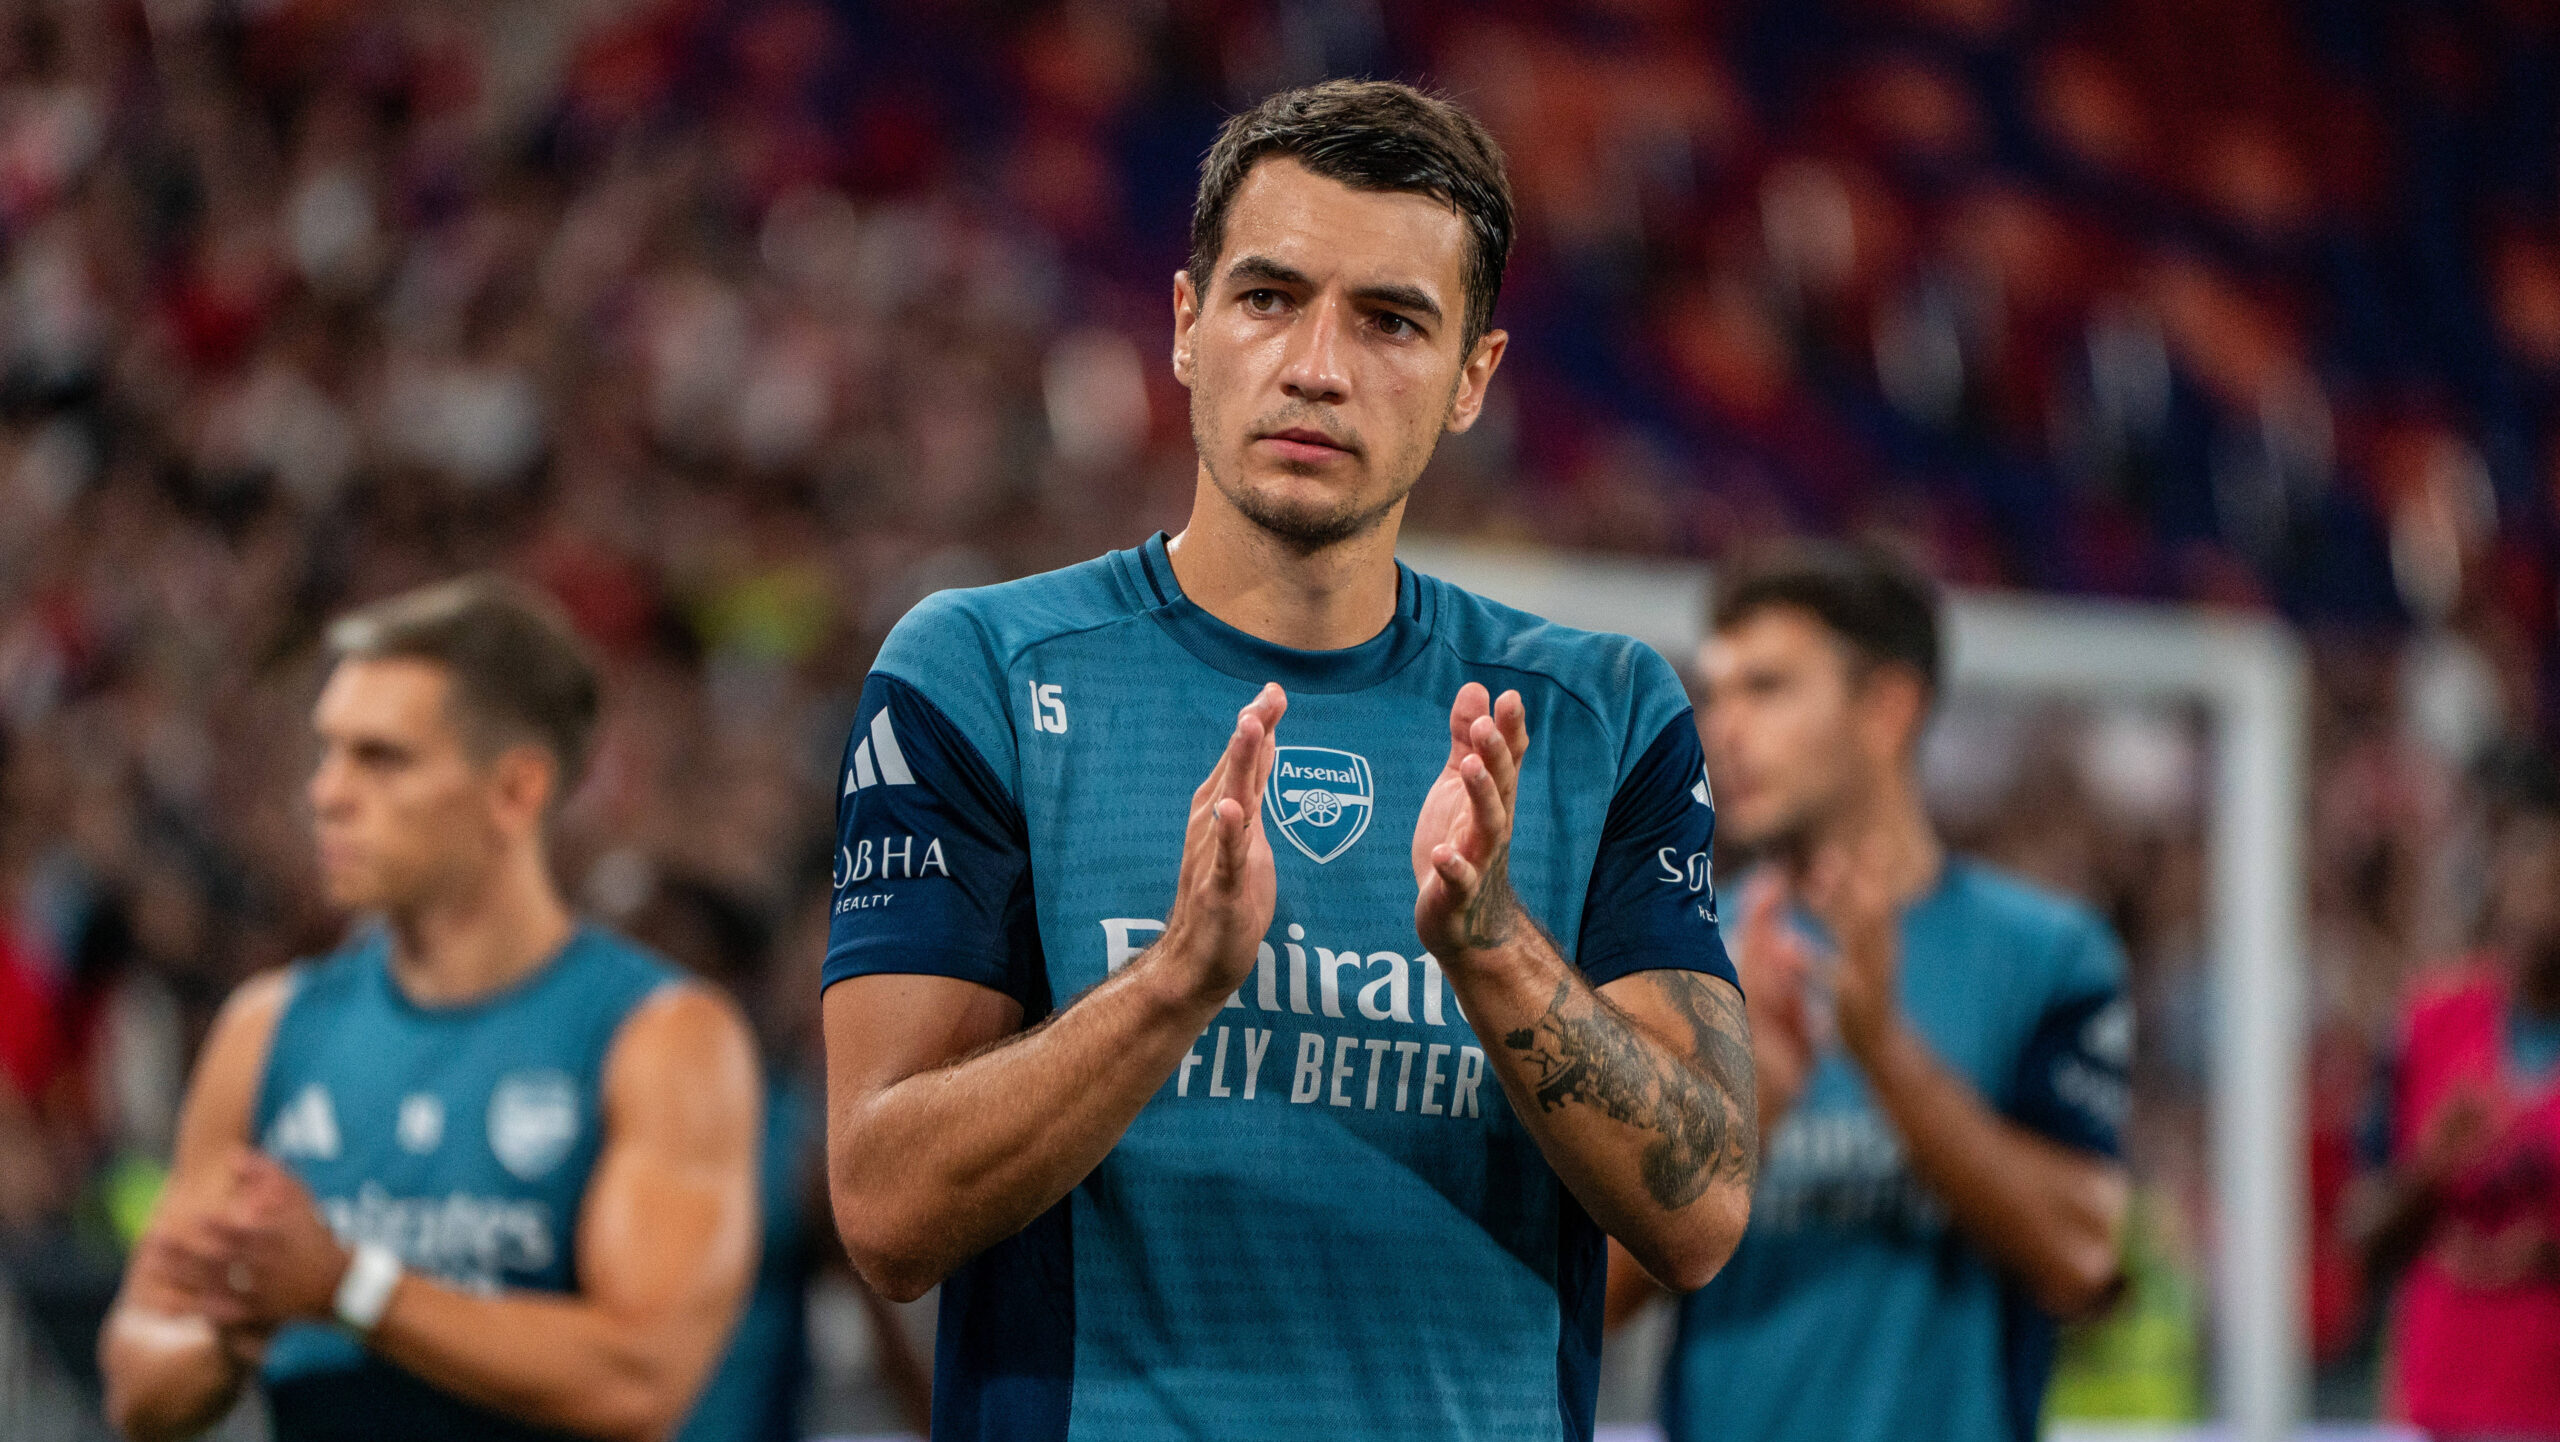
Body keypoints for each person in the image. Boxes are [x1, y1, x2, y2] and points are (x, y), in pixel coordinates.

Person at [821, 79, 1756, 1442]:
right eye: (1268, 297)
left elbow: (1702, 1213)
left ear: (1472, 380)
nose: (1317, 365)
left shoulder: (1597, 711)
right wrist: (1173, 984)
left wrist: (1491, 944)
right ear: (1189, 326)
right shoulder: (982, 671)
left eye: (1390, 320)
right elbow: (887, 1214)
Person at [96, 576, 762, 1442]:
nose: (326, 793)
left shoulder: (663, 1037)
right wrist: (235, 1319)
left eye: (381, 758)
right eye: (326, 752)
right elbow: (140, 1383)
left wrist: (347, 1288)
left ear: (515, 791)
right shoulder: (267, 1028)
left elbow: (640, 1381)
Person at [1617, 541, 2131, 1442]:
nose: (1721, 729)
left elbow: (2084, 1259)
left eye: (1767, 689)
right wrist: (1741, 1117)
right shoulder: (1676, 955)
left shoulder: (2048, 956)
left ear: (1888, 709)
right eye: (1716, 691)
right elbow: (1595, 1295)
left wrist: (1883, 1050)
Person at [2351, 765, 2560, 1440]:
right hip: (2441, 1397)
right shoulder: (2430, 1025)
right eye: (2525, 878)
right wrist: (2431, 1170)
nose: (2537, 907)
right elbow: (2361, 1234)